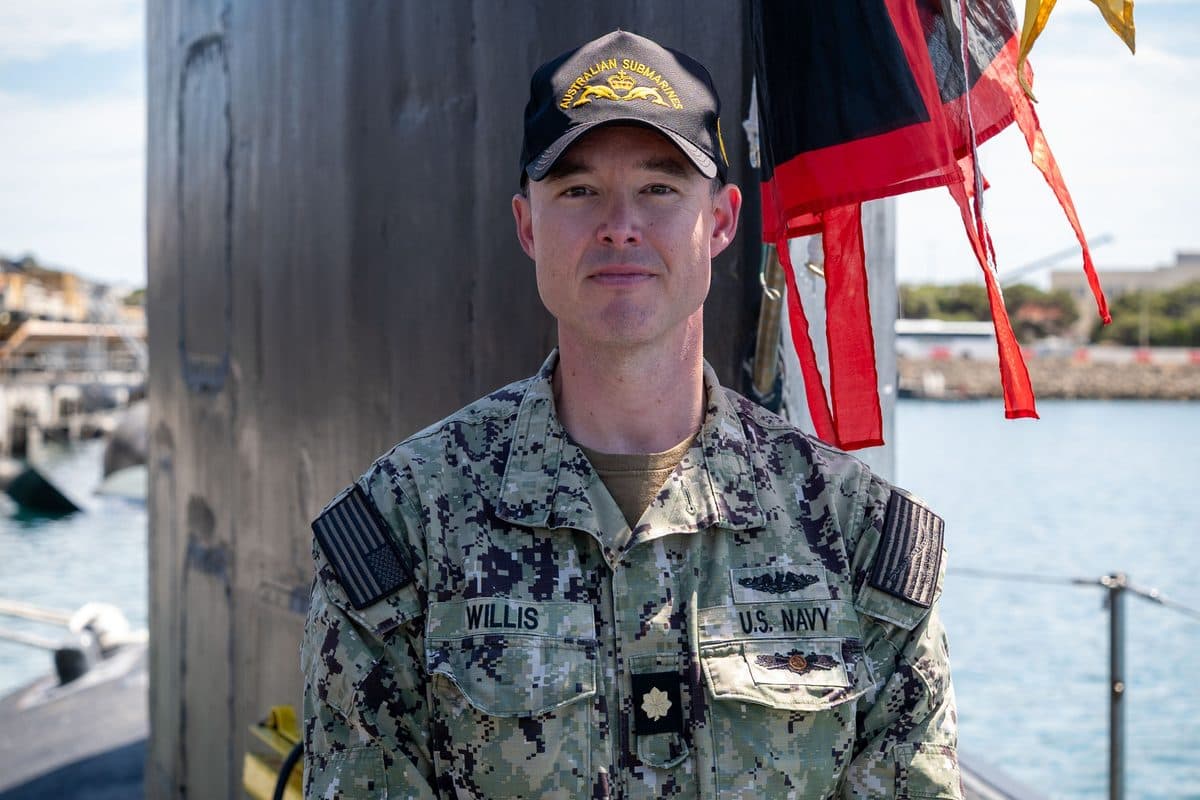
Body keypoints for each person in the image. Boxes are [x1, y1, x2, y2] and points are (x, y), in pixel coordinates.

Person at [302, 29, 962, 799]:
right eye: (579, 190)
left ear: (719, 222)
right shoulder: (402, 529)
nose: (621, 225)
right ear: (527, 226)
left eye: (659, 188)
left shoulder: (857, 538)